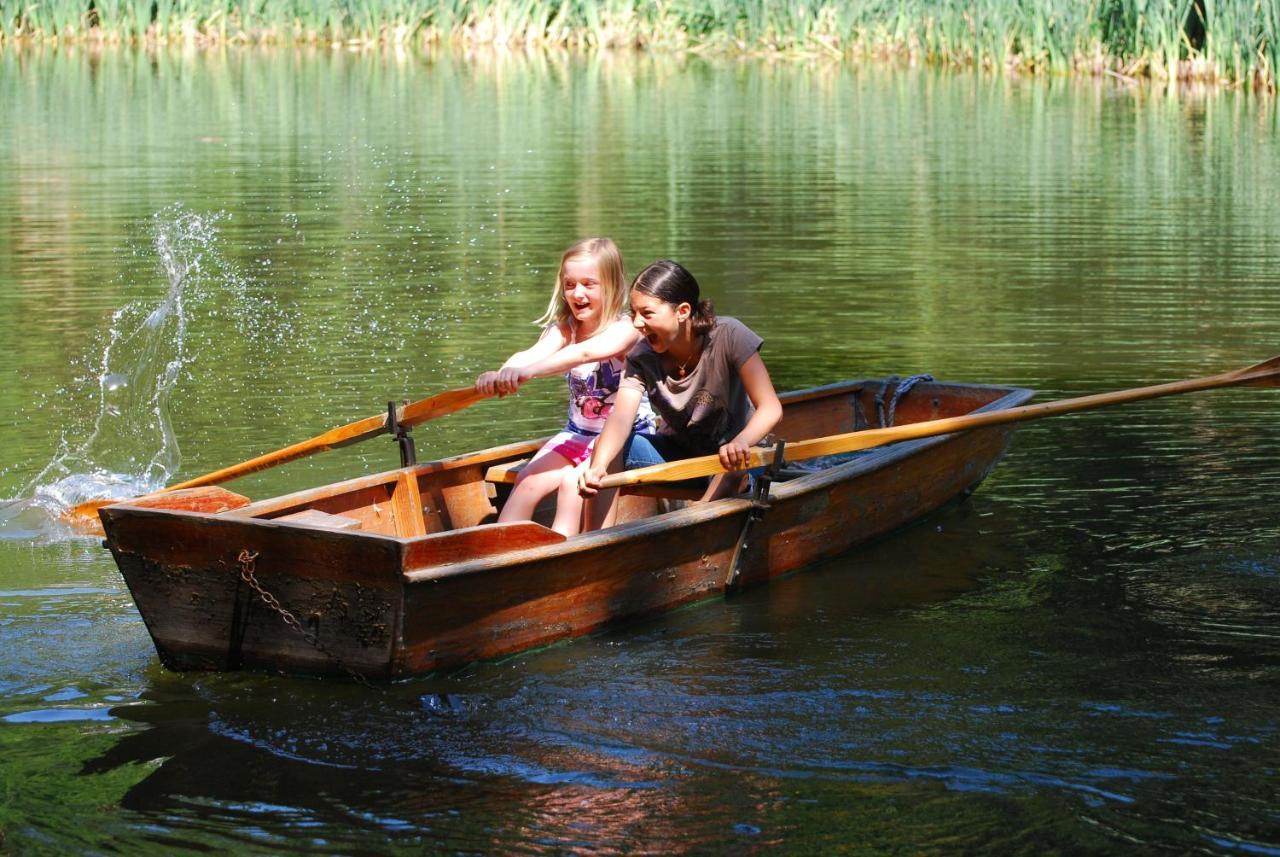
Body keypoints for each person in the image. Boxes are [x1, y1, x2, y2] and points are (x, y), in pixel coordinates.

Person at [577, 259, 782, 529]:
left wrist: (741, 442)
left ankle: (697, 525)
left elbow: (771, 408)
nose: (637, 323)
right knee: (610, 449)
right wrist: (597, 468)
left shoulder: (730, 335)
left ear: (683, 311)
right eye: (633, 313)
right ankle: (596, 543)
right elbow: (621, 419)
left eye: (647, 313)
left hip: (741, 457)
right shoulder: (641, 356)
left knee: (735, 466)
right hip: (683, 456)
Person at [476, 238, 654, 536]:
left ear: (611, 286)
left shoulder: (626, 329)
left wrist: (528, 373)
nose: (578, 293)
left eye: (588, 284)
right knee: (527, 482)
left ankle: (562, 557)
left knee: (573, 486)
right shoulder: (565, 327)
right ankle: (497, 553)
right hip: (578, 433)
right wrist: (505, 371)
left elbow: (585, 353)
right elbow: (532, 353)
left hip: (624, 438)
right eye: (570, 284)